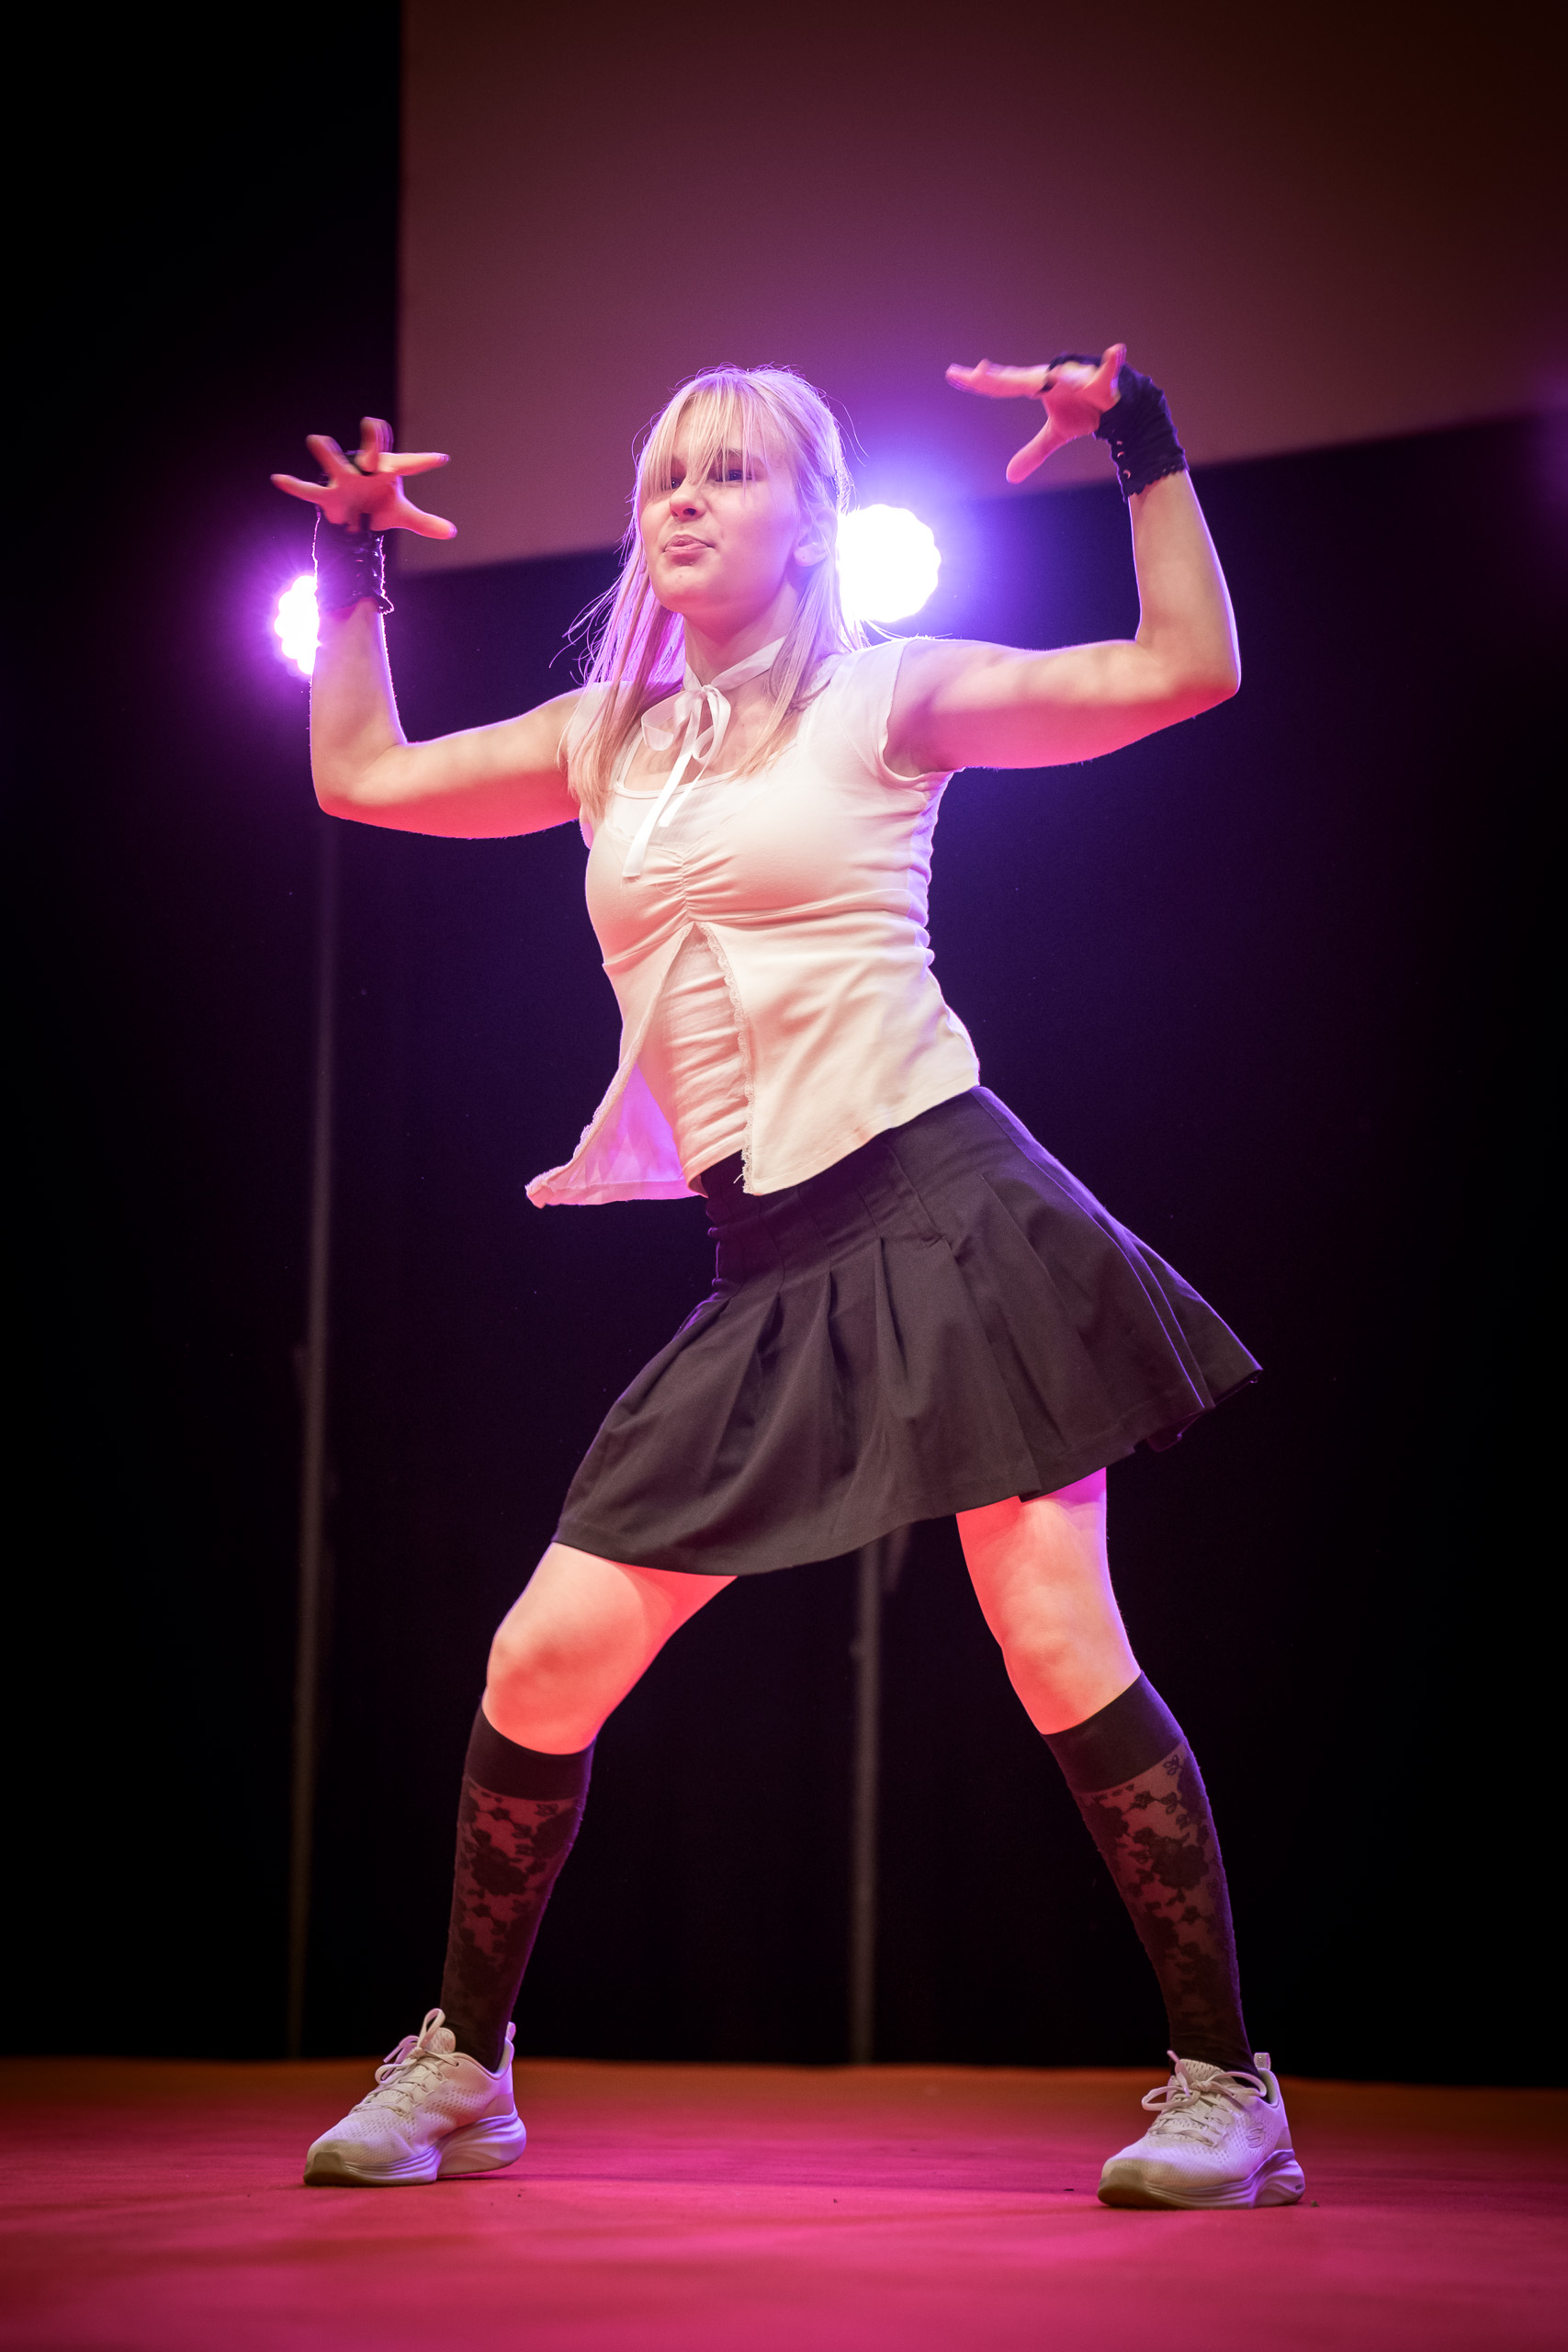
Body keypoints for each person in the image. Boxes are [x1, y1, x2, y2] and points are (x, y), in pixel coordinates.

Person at [273, 346, 1303, 2211]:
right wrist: (356, 570)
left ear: (813, 520)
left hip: (947, 1208)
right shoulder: (604, 736)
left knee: (1053, 1638)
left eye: (731, 471)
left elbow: (1185, 666)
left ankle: (1228, 2087)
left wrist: (1141, 442)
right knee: (541, 1659)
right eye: (664, 472)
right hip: (765, 1261)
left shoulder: (887, 695)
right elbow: (358, 776)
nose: (683, 497)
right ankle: (464, 2066)